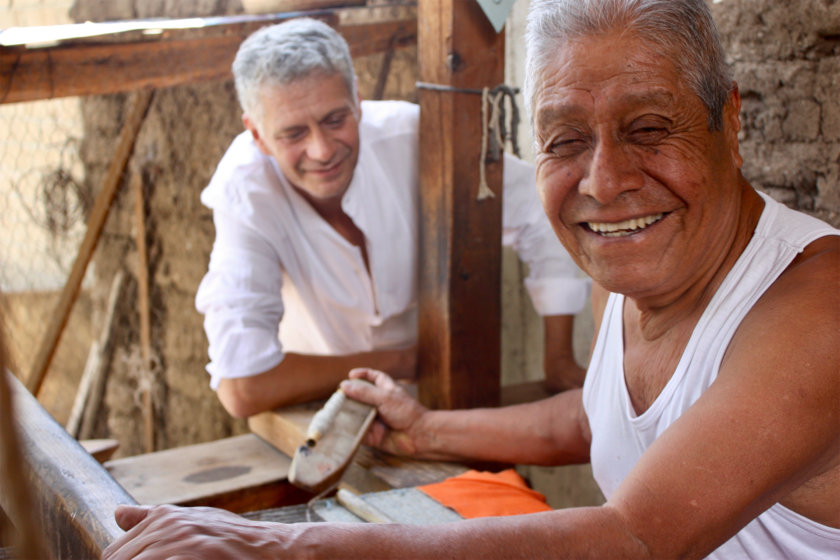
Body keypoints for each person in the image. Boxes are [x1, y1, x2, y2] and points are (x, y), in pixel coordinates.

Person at [103, 0, 840, 558]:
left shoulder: (817, 304)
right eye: (566, 141)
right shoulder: (632, 271)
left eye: (649, 128)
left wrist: (275, 546)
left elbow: (629, 540)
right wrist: (423, 428)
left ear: (730, 122)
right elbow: (593, 418)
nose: (605, 181)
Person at [194, 17, 590, 417]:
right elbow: (242, 387)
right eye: (293, 134)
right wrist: (400, 361)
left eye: (336, 119)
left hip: (438, 399)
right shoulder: (244, 190)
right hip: (317, 409)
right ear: (257, 135)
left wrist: (558, 357)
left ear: (358, 99)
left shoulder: (416, 137)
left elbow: (542, 214)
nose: (322, 150)